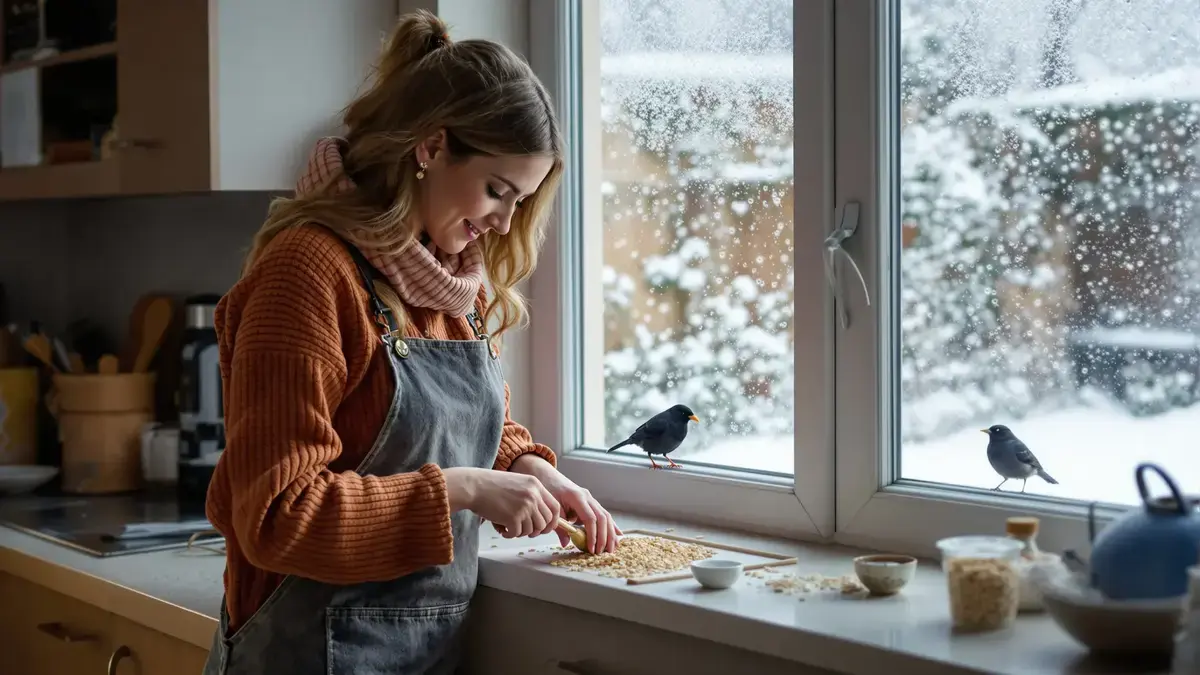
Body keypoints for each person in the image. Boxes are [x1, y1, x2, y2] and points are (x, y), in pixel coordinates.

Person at [201, 11, 620, 675]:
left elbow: (452, 423)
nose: (503, 223)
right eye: (496, 191)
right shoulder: (307, 273)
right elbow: (277, 516)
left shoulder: (449, 282)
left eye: (521, 201)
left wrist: (525, 466)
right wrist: (464, 488)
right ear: (431, 147)